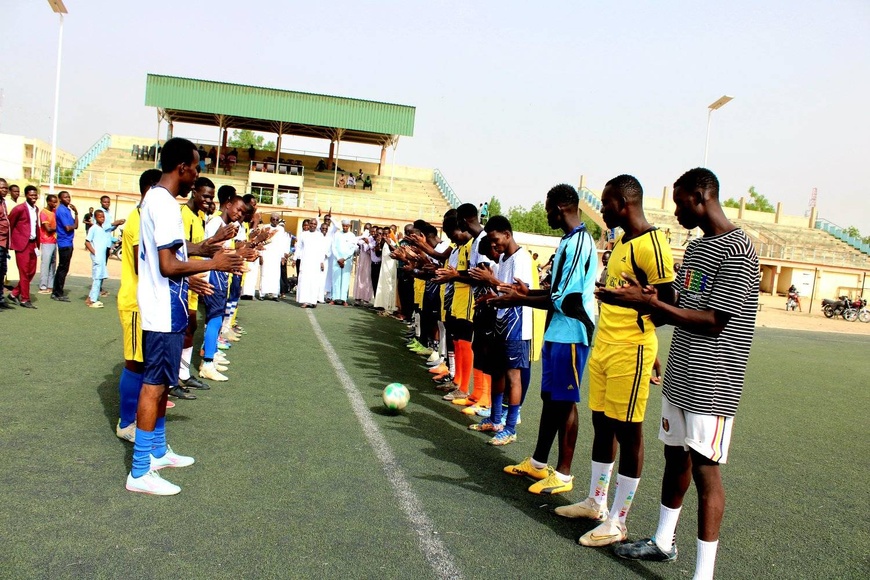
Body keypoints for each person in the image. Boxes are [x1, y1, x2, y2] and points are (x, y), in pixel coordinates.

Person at [603, 168, 760, 580]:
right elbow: (682, 309)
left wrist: (652, 303)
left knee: (707, 470)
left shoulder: (739, 250)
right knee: (675, 457)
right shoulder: (695, 249)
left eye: (680, 201)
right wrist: (646, 302)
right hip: (681, 376)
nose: (675, 211)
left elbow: (714, 320)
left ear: (703, 195)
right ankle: (662, 541)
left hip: (714, 383)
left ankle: (703, 575)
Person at [555, 175, 675, 548]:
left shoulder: (653, 245)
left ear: (624, 203)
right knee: (602, 423)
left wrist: (647, 348)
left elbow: (667, 306)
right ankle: (596, 502)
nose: (602, 210)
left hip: (630, 350)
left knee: (628, 430)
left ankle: (619, 521)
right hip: (605, 344)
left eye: (606, 204)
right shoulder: (622, 239)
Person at [127, 137, 243, 495]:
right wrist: (213, 262)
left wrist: (206, 246)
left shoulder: (163, 202)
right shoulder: (161, 204)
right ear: (182, 168)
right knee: (154, 385)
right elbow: (166, 264)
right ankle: (140, 470)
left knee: (162, 384)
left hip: (171, 308)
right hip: (162, 310)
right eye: (196, 167)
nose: (198, 174)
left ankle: (158, 451)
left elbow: (175, 248)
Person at [493, 184, 597, 494]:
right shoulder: (567, 241)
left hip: (572, 332)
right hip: (557, 332)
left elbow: (566, 297)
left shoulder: (580, 242)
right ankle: (539, 464)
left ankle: (563, 474)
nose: (546, 213)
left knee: (565, 402)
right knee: (551, 399)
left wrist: (518, 299)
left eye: (548, 207)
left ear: (562, 208)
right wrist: (524, 294)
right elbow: (555, 292)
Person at [468, 215, 533, 445]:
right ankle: (495, 420)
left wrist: (491, 281)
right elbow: (503, 293)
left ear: (507, 234)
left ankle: (511, 427)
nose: (494, 245)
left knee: (513, 377)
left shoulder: (521, 258)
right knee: (497, 372)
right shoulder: (505, 258)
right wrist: (491, 296)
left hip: (517, 325)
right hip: (500, 322)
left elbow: (520, 292)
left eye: (496, 240)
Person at [115, 168, 162, 442]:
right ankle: (126, 423)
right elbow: (144, 263)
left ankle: (138, 413)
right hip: (135, 304)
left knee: (143, 363)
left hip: (146, 302)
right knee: (134, 363)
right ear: (148, 190)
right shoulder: (137, 219)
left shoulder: (147, 217)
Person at [6, 185, 41, 309]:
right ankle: (25, 299)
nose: (33, 197)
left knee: (31, 272)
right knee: (24, 272)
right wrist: (9, 242)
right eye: (31, 195)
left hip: (33, 244)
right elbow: (10, 224)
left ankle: (14, 293)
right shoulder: (19, 209)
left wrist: (38, 243)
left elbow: (36, 226)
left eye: (35, 195)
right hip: (22, 245)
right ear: (26, 195)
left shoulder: (36, 209)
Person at [51, 191, 78, 302]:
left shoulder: (67, 210)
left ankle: (56, 291)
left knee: (63, 268)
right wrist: (74, 225)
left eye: (69, 196)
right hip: (64, 243)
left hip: (68, 242)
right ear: (60, 199)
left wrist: (76, 213)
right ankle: (58, 293)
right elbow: (68, 227)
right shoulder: (61, 210)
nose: (68, 198)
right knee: (62, 268)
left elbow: (75, 225)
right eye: (65, 197)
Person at [84, 209, 113, 308]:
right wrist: (94, 252)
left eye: (103, 217)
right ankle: (92, 300)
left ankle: (91, 297)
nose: (102, 218)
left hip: (102, 256)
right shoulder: (94, 228)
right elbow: (87, 242)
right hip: (97, 257)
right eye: (100, 217)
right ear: (95, 218)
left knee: (100, 277)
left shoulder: (102, 229)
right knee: (97, 278)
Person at [296, 218, 327, 308]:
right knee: (305, 280)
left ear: (316, 225)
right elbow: (299, 247)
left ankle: (313, 301)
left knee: (314, 281)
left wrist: (321, 262)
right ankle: (305, 301)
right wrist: (295, 258)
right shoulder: (303, 235)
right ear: (309, 224)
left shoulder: (320, 235)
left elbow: (322, 249)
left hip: (316, 262)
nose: (313, 225)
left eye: (315, 224)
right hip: (305, 261)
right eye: (311, 223)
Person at [330, 219, 357, 305]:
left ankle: (343, 299)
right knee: (336, 279)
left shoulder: (352, 236)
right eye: (344, 226)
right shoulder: (337, 234)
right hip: (337, 260)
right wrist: (338, 258)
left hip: (347, 260)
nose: (345, 227)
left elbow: (352, 249)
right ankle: (334, 298)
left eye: (346, 226)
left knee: (345, 279)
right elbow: (333, 247)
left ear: (349, 226)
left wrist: (344, 258)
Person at [38, 194, 59, 294]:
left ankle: (50, 285)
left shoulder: (54, 212)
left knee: (53, 264)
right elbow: (48, 229)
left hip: (54, 241)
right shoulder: (43, 213)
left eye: (56, 202)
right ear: (48, 202)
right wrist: (59, 228)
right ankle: (43, 286)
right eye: (53, 202)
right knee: (45, 264)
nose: (55, 204)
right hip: (46, 241)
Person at [0, 179, 11, 311]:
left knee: (2, 271)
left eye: (6, 188)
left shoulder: (3, 202)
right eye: (2, 188)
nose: (4, 190)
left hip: (4, 242)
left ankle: (1, 299)